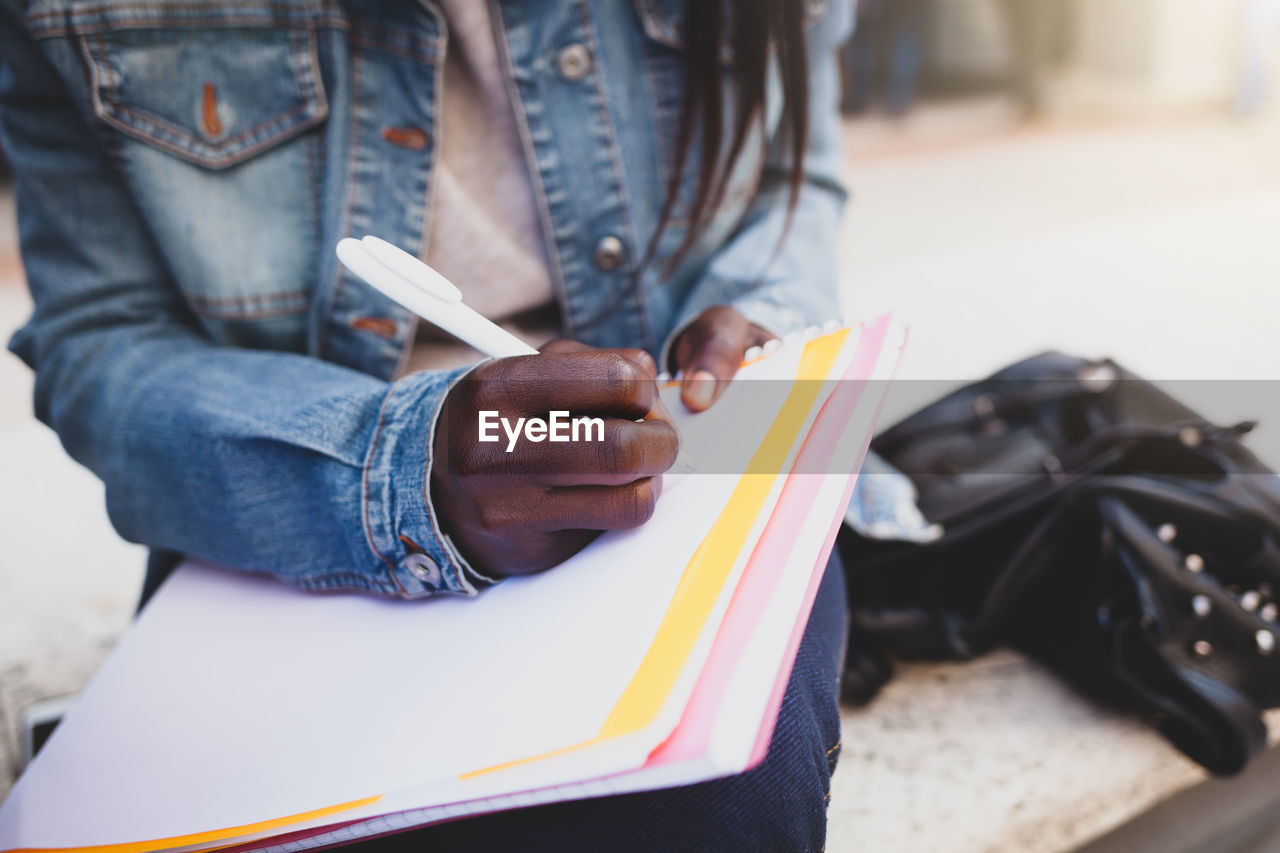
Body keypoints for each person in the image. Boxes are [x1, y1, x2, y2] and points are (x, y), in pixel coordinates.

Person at [0, 0, 859, 848]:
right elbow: (104, 341)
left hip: (663, 463)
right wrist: (402, 468)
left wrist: (756, 316)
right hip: (291, 463)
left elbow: (791, 178)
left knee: (714, 780)